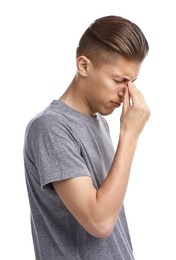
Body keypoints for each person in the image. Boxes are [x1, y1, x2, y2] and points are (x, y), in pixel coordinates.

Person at [23, 15, 150, 260]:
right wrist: (129, 136)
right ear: (83, 66)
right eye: (118, 80)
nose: (126, 94)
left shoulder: (100, 123)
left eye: (132, 82)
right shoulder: (51, 127)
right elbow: (99, 222)